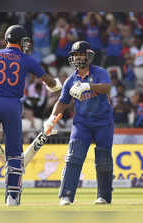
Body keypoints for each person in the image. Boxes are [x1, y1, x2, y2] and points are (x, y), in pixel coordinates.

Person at [0, 25, 62, 207]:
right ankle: (12, 196)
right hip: (12, 105)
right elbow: (49, 82)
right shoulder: (26, 59)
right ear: (20, 41)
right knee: (14, 154)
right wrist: (58, 85)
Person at [44, 41, 114, 205]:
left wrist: (88, 86)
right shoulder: (70, 80)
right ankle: (66, 196)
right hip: (82, 124)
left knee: (103, 159)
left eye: (80, 54)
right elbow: (62, 102)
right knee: (74, 157)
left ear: (88, 55)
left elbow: (107, 88)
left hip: (103, 122)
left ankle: (103, 196)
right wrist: (51, 119)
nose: (77, 58)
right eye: (74, 55)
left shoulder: (99, 72)